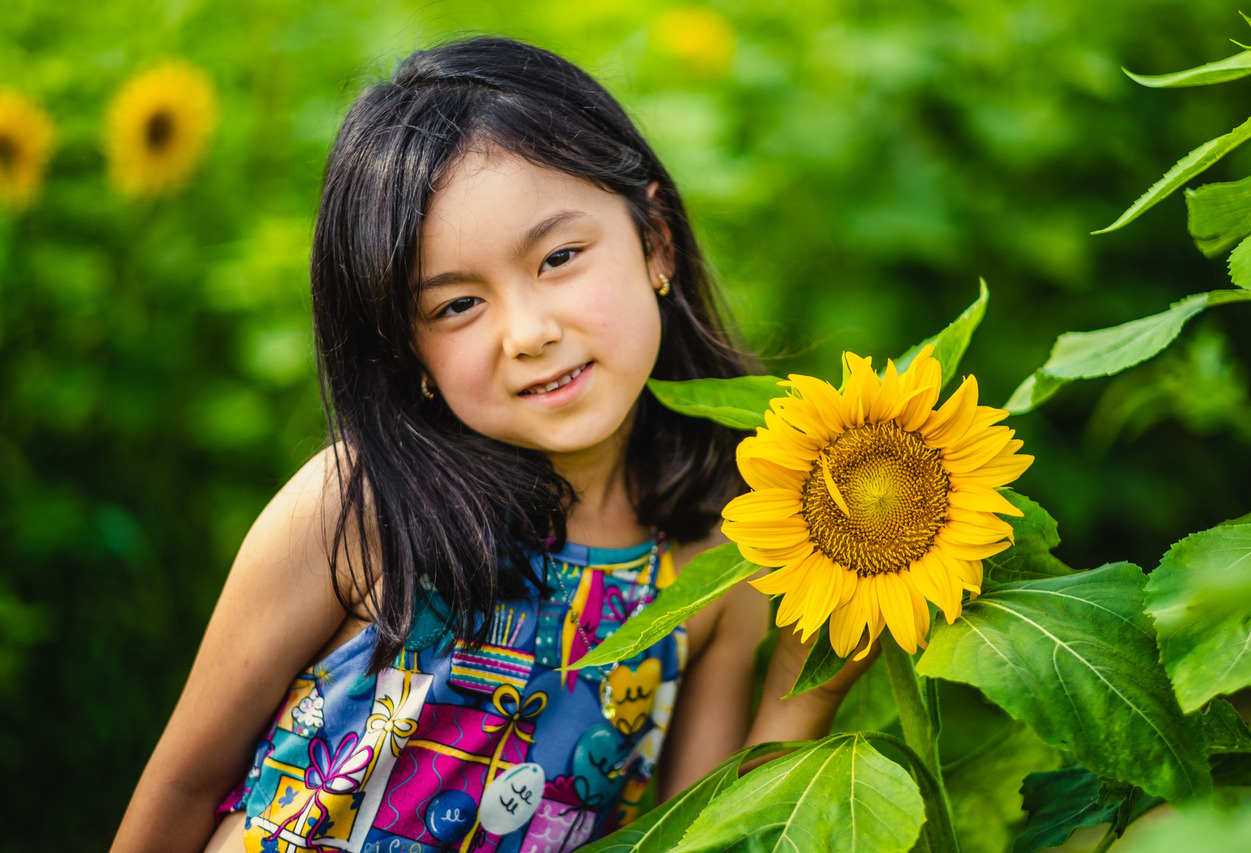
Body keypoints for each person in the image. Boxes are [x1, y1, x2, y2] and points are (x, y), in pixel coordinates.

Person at [112, 37, 874, 853]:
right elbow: (184, 785)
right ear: (408, 350)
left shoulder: (714, 555)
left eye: (559, 257)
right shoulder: (363, 506)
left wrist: (807, 684)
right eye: (456, 306)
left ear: (657, 240)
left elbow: (698, 837)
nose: (530, 332)